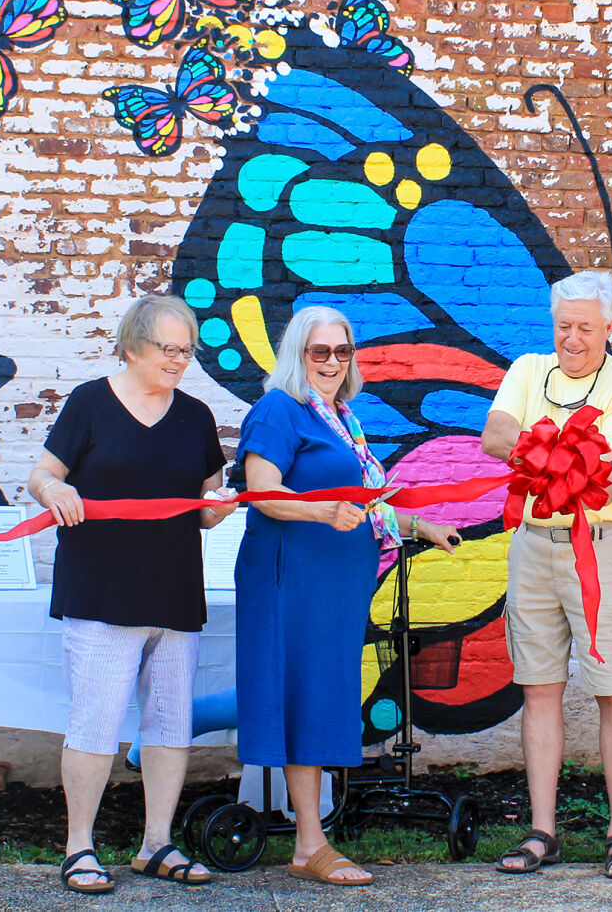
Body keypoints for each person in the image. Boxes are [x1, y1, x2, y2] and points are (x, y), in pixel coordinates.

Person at [236, 306, 460, 887]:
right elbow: (260, 491)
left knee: (322, 693)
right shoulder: (279, 410)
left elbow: (366, 504)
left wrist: (419, 527)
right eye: (319, 352)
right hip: (293, 579)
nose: (333, 362)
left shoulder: (341, 418)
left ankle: (311, 837)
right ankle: (310, 843)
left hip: (334, 586)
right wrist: (322, 510)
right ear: (296, 356)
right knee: (303, 695)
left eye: (342, 352)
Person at [29, 295, 237, 893]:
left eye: (186, 350)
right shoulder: (91, 402)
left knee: (170, 724)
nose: (178, 361)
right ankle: (79, 849)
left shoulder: (196, 415)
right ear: (132, 345)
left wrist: (217, 510)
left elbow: (203, 506)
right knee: (95, 723)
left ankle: (157, 844)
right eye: (167, 349)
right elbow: (43, 473)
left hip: (173, 591)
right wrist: (53, 493)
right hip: (101, 591)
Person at [484, 271, 612, 881]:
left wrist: (539, 451)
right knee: (538, 687)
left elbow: (601, 477)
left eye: (586, 327)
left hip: (603, 549)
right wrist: (556, 451)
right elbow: (494, 434)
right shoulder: (528, 369)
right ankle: (542, 831)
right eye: (564, 326)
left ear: (610, 328)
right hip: (531, 547)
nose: (574, 339)